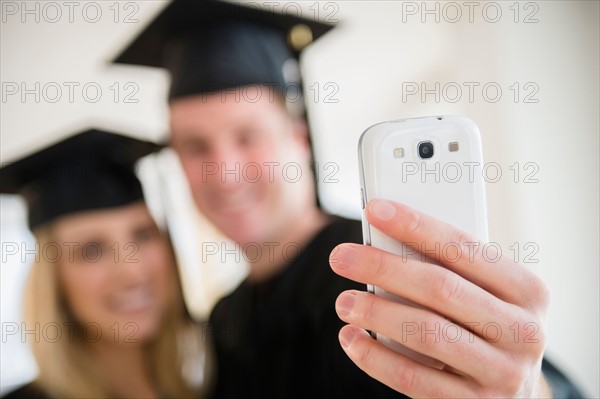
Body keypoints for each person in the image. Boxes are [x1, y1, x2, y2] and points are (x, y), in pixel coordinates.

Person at [113, 1, 583, 397]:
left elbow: (521, 380)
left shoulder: (379, 269)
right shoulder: (224, 319)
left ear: (299, 140)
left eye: (248, 135)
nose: (224, 171)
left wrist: (529, 389)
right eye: (195, 147)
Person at [0, 130, 207, 398]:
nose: (132, 271)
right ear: (54, 280)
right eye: (92, 250)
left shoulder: (210, 388)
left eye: (143, 235)